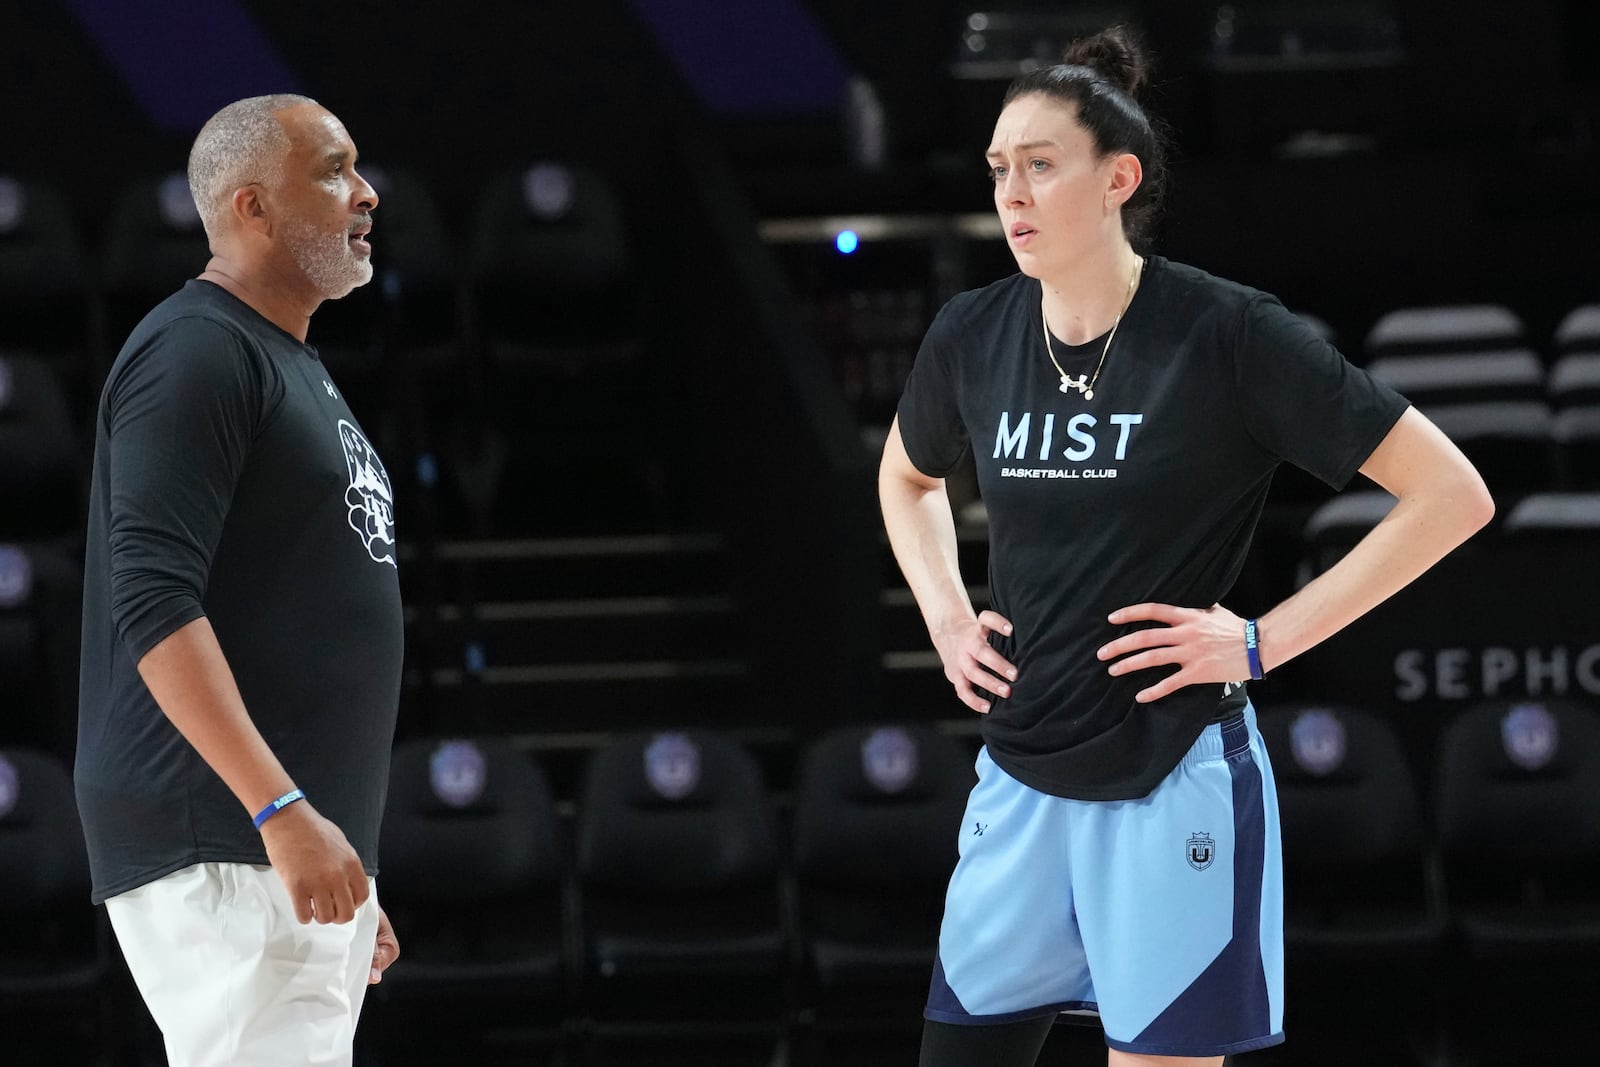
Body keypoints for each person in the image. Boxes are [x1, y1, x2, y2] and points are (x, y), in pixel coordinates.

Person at [879, 28, 1494, 1067]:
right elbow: (904, 476)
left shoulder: (1227, 333)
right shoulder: (970, 335)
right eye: (997, 169)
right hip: (1020, 774)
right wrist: (943, 611)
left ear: (1118, 177)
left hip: (1170, 776)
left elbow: (1452, 494)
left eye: (1039, 165)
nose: (1010, 193)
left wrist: (1259, 641)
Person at [76, 94, 402, 1067]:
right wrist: (278, 811)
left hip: (275, 844)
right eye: (334, 170)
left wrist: (345, 857)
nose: (367, 192)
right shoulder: (197, 351)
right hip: (225, 827)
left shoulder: (282, 357)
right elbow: (151, 598)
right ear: (252, 207)